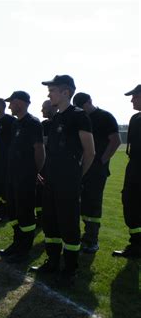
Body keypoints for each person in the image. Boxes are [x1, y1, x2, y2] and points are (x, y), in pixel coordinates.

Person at [31, 75, 95, 287]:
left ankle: (69, 269)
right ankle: (52, 262)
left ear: (66, 92)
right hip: (51, 180)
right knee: (50, 223)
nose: (49, 94)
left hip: (68, 181)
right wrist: (46, 172)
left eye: (53, 90)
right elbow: (51, 152)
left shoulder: (79, 116)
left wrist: (77, 176)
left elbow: (90, 152)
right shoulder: (56, 118)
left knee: (68, 226)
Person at [0, 91, 45, 262]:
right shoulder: (16, 124)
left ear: (20, 103)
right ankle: (16, 243)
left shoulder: (33, 123)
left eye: (12, 102)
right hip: (12, 175)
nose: (9, 106)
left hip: (25, 176)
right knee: (13, 211)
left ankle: (24, 249)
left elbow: (39, 150)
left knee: (25, 212)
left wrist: (35, 172)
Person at [73, 92, 121, 253]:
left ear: (89, 101)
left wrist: (101, 160)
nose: (81, 110)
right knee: (82, 203)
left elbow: (115, 141)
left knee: (93, 203)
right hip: (81, 167)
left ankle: (92, 239)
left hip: (97, 169)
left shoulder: (105, 117)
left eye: (83, 106)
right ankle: (85, 237)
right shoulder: (81, 118)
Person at [112, 84, 141, 258]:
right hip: (134, 167)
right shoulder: (135, 119)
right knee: (130, 203)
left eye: (135, 96)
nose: (132, 99)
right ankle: (136, 245)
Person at [0, 98, 16, 221]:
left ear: (1, 106)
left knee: (6, 185)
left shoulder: (10, 120)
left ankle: (7, 211)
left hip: (6, 159)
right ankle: (0, 209)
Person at [35, 100, 57, 224]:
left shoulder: (60, 122)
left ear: (53, 108)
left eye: (44, 108)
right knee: (40, 193)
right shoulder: (43, 125)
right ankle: (40, 217)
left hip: (55, 166)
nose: (42, 110)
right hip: (43, 165)